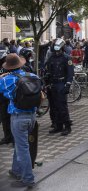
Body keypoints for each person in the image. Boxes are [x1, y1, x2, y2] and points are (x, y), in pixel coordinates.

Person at [0, 54, 40, 188]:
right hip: (32, 116)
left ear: (8, 68)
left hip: (18, 117)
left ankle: (28, 179)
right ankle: (16, 170)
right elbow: (42, 95)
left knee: (22, 148)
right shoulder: (33, 76)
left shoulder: (7, 80)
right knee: (20, 144)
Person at [45, 39, 74, 136]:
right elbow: (48, 70)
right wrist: (47, 81)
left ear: (62, 48)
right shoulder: (52, 57)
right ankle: (58, 126)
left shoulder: (67, 58)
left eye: (58, 50)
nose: (57, 52)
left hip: (62, 84)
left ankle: (67, 126)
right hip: (53, 84)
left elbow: (70, 73)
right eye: (56, 50)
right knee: (54, 107)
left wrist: (68, 85)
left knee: (62, 106)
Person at [0, 49, 12, 146]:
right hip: (2, 96)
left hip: (9, 96)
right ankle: (8, 136)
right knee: (4, 117)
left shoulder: (9, 66)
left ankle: (12, 137)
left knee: (10, 116)